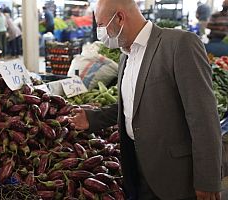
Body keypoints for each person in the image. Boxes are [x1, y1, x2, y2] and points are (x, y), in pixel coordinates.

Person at [69, 0, 222, 199]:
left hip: (176, 176)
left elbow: (204, 117)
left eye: (100, 25)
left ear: (120, 18)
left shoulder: (179, 44)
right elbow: (134, 105)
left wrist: (207, 180)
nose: (99, 33)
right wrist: (93, 119)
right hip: (138, 169)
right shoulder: (126, 54)